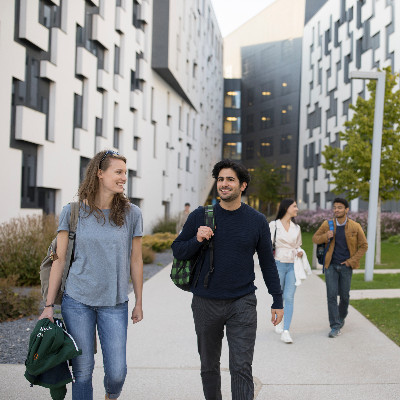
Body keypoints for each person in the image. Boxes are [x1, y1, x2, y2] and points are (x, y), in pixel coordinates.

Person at [171, 159, 283, 400]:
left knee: (241, 367)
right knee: (209, 366)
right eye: (220, 179)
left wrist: (277, 299)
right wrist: (197, 239)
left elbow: (267, 262)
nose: (224, 184)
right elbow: (178, 250)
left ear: (242, 185)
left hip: (242, 302)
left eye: (230, 179)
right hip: (205, 301)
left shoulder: (257, 221)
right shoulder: (200, 215)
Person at [39, 150, 144, 400]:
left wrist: (139, 301)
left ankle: (110, 396)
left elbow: (136, 259)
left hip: (115, 303)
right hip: (77, 302)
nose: (123, 178)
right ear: (99, 173)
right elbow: (59, 260)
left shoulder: (132, 214)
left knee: (117, 372)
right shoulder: (73, 212)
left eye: (125, 173)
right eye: (118, 172)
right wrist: (48, 305)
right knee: (82, 371)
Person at [312, 197, 368, 338]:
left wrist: (351, 261)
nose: (336, 210)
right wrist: (326, 235)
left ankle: (341, 317)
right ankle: (335, 326)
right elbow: (315, 239)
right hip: (330, 266)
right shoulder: (327, 224)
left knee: (344, 296)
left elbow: (364, 245)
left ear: (346, 210)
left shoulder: (355, 226)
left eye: (340, 207)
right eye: (335, 207)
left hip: (346, 267)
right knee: (331, 296)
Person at [269, 198, 303, 344]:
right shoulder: (274, 225)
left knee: (289, 297)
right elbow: (267, 245)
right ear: (286, 208)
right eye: (294, 206)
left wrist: (300, 251)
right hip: (278, 264)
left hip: (293, 265)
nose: (296, 208)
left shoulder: (297, 228)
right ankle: (278, 320)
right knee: (279, 295)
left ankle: (286, 331)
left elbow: (298, 245)